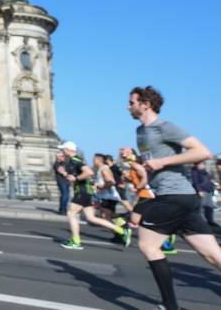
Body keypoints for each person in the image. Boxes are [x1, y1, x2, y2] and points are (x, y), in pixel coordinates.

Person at [127, 86, 221, 310]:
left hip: (174, 196)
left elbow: (202, 152)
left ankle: (170, 306)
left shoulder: (164, 127)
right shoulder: (140, 132)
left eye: (132, 102)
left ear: (145, 104)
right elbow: (151, 162)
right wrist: (143, 174)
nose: (128, 106)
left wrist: (162, 163)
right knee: (212, 255)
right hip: (179, 196)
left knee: (148, 246)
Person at [57, 142, 131, 250]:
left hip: (82, 192)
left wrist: (76, 178)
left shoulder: (75, 161)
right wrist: (68, 175)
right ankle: (121, 231)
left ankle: (76, 241)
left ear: (68, 149)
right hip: (86, 192)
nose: (62, 152)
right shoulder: (75, 160)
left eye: (63, 149)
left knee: (71, 213)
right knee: (91, 218)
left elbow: (89, 172)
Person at [191, 161, 217, 226]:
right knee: (202, 207)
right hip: (202, 191)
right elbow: (195, 182)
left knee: (209, 207)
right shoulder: (194, 172)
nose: (203, 165)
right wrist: (199, 191)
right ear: (197, 165)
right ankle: (202, 222)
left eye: (204, 164)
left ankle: (210, 221)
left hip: (209, 190)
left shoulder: (205, 172)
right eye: (202, 164)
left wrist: (212, 183)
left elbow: (208, 180)